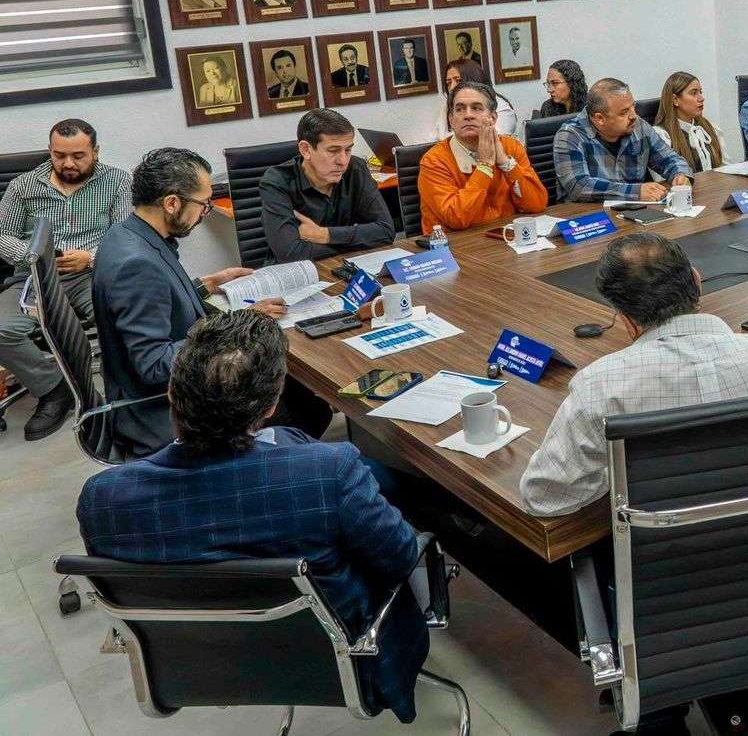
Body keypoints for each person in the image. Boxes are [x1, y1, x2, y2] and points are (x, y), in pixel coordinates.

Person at [518, 233, 748, 735]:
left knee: (599, 544)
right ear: (697, 283)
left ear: (625, 318)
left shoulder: (603, 386)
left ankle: (658, 716)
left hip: (664, 590)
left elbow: (544, 497)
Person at [76, 311, 432, 723]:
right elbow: (400, 556)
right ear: (272, 405)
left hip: (200, 665)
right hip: (346, 662)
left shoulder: (102, 500)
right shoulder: (326, 473)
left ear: (172, 393)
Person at [93, 148, 288, 457]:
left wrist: (205, 285)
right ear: (172, 203)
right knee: (295, 405)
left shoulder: (128, 235)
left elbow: (158, 303)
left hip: (162, 397)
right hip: (162, 413)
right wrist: (238, 324)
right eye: (203, 204)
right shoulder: (138, 265)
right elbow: (154, 365)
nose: (204, 212)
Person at [0, 120, 130, 440]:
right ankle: (55, 389)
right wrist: (35, 256)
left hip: (91, 274)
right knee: (1, 329)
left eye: (78, 156)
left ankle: (127, 395)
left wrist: (91, 257)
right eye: (59, 155)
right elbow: (2, 236)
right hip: (34, 276)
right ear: (50, 151)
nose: (68, 163)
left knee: (126, 315)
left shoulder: (117, 182)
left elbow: (126, 236)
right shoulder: (23, 186)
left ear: (95, 152)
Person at [260, 109, 396, 263]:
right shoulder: (277, 181)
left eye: (348, 150)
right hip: (298, 273)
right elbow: (291, 255)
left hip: (345, 266)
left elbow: (386, 232)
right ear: (305, 150)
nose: (343, 161)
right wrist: (355, 241)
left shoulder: (356, 168)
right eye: (333, 151)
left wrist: (324, 235)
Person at [418, 81, 547, 231]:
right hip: (458, 242)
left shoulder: (511, 147)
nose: (468, 115)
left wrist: (506, 163)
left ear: (493, 117)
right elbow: (456, 218)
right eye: (460, 109)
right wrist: (485, 166)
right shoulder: (433, 161)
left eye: (476, 108)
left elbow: (537, 204)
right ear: (451, 120)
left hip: (505, 237)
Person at [553, 79, 692, 202]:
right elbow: (579, 186)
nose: (634, 116)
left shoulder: (638, 126)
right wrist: (635, 192)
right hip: (585, 217)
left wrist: (680, 175)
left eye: (633, 107)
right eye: (624, 112)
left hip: (633, 211)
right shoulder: (570, 135)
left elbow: (669, 158)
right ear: (600, 118)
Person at [652, 72, 726, 174]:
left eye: (700, 92)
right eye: (694, 93)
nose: (701, 98)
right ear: (675, 100)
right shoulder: (661, 135)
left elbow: (727, 168)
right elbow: (663, 179)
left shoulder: (711, 128)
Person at [433, 59, 517, 140]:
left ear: (474, 80)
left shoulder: (502, 109)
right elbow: (436, 137)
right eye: (449, 83)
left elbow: (491, 141)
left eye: (458, 80)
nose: (452, 87)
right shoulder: (448, 107)